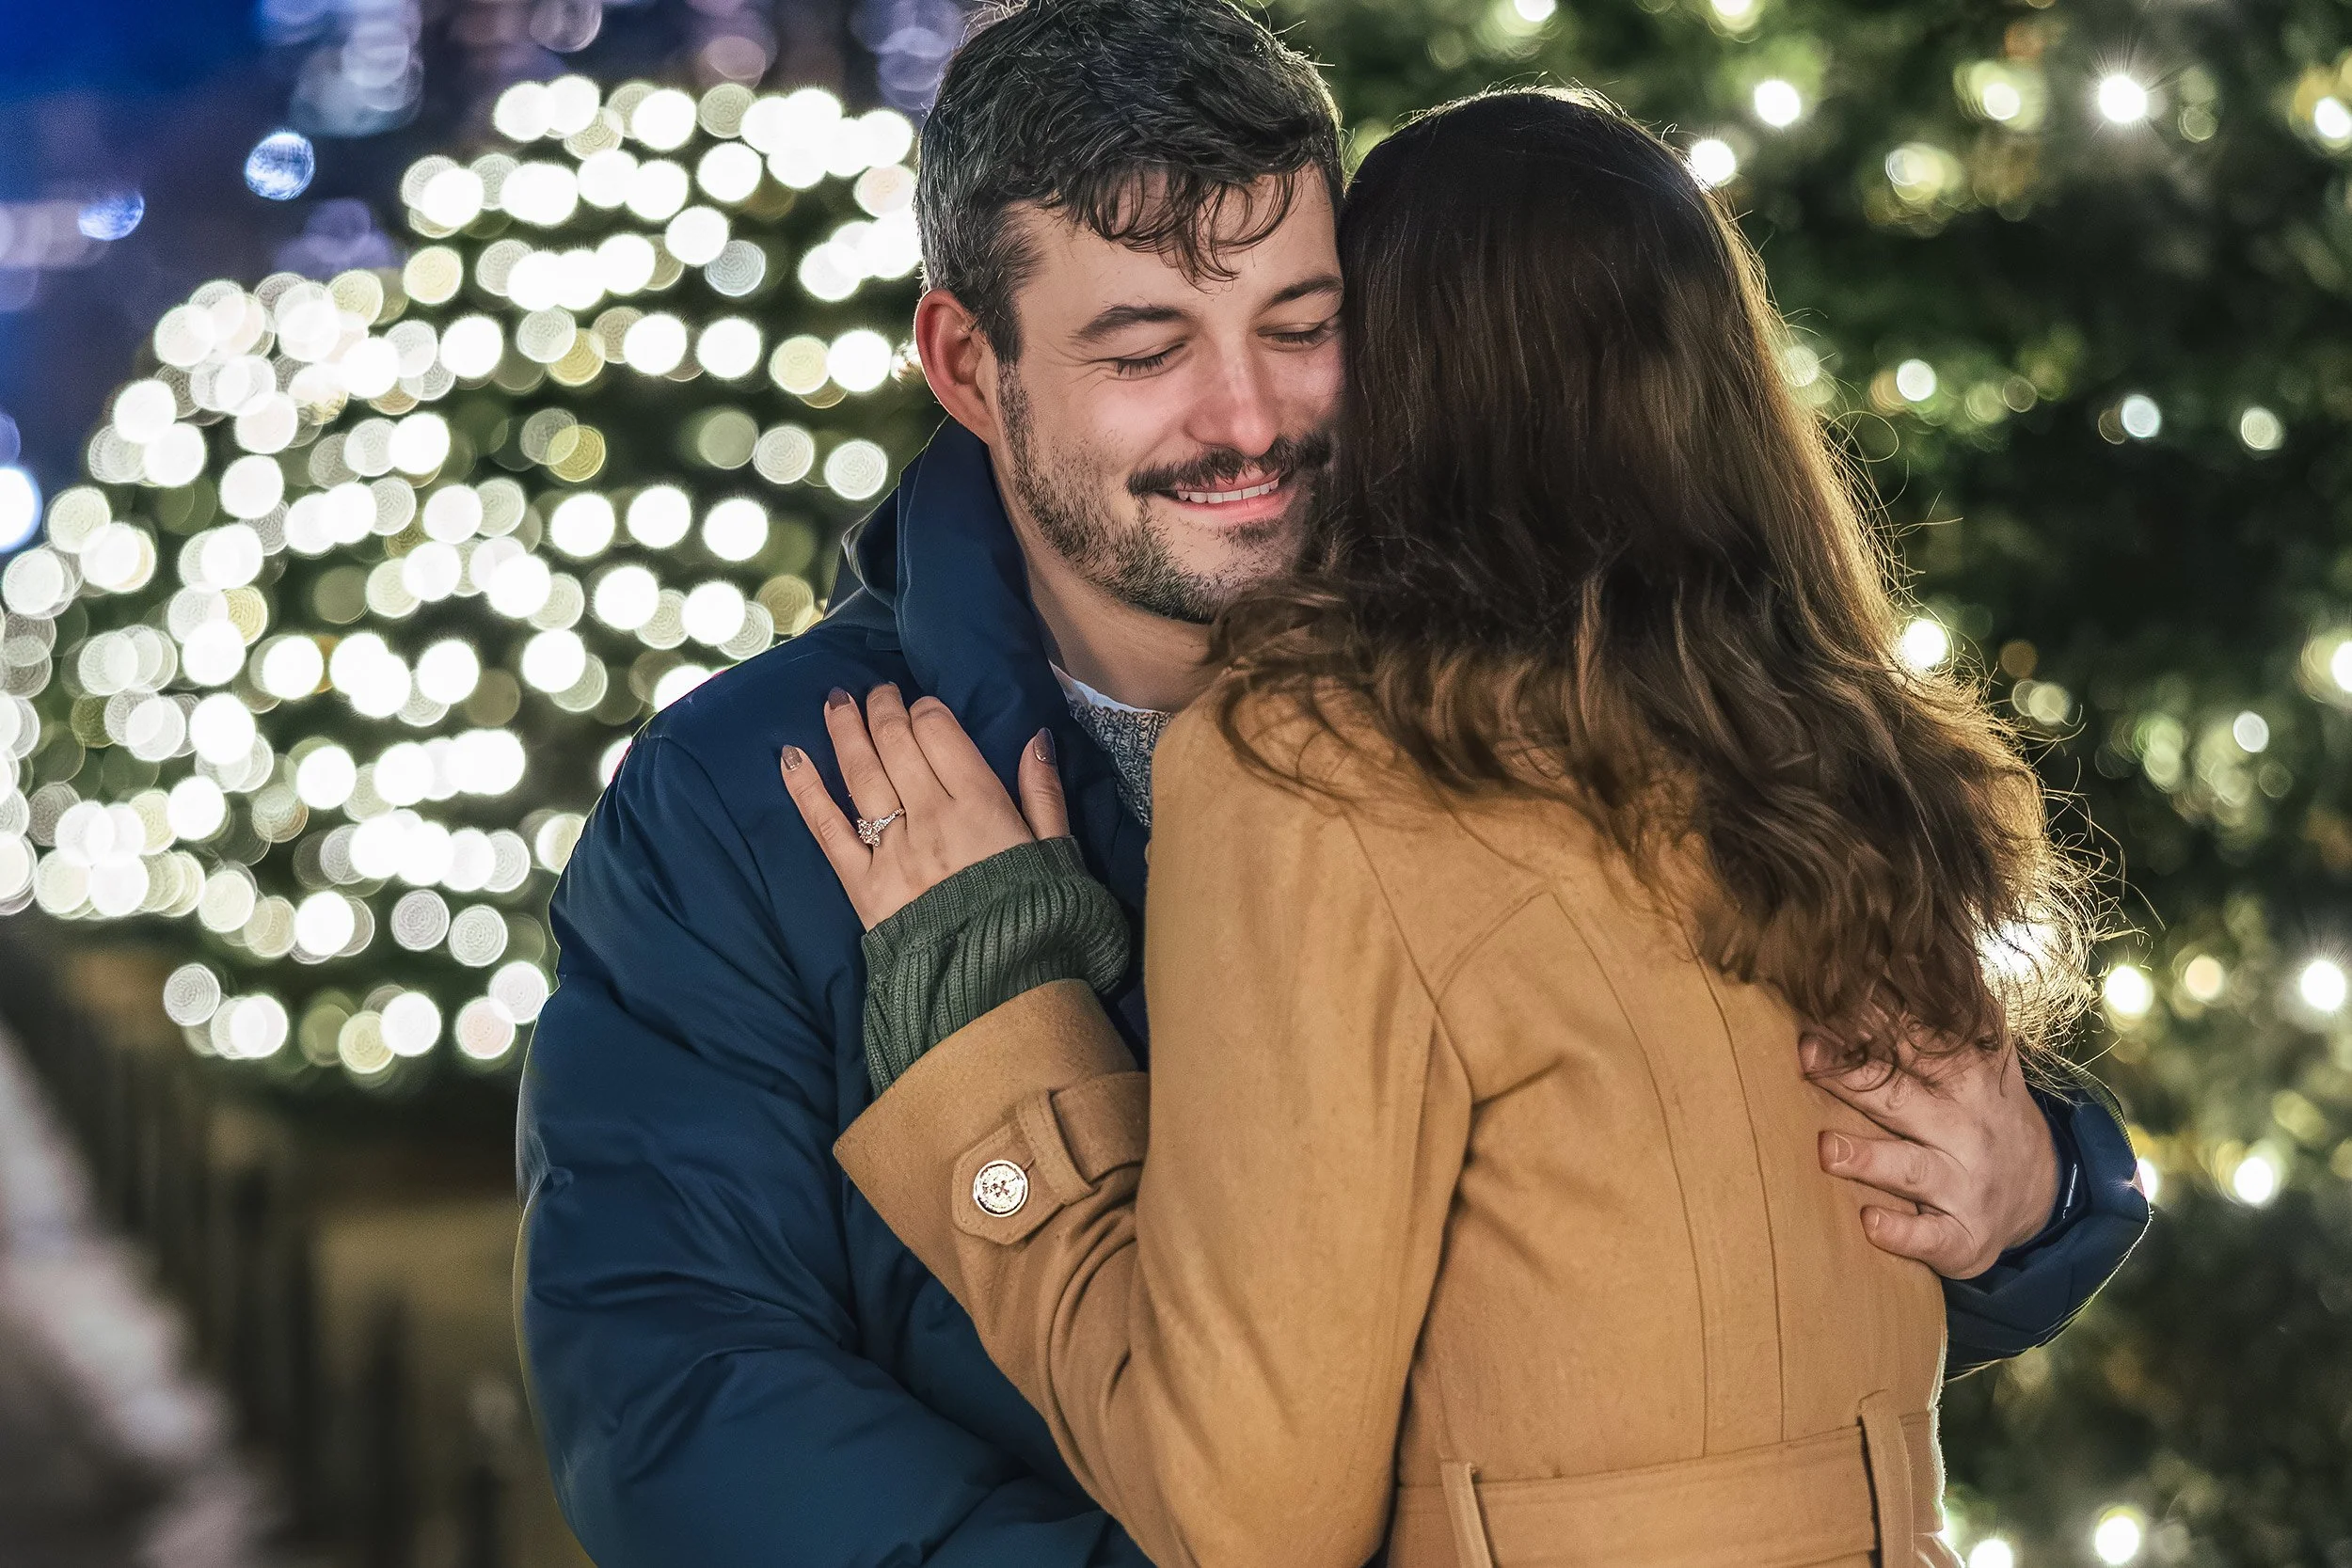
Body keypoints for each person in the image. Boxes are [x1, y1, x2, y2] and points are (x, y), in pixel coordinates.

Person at [515, 5, 2149, 1565]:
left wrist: (2040, 1191)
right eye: (1146, 347)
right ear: (967, 362)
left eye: (1304, 327)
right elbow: (681, 1413)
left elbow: (1682, 1213)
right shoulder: (748, 805)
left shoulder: (1543, 682)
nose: (1249, 419)